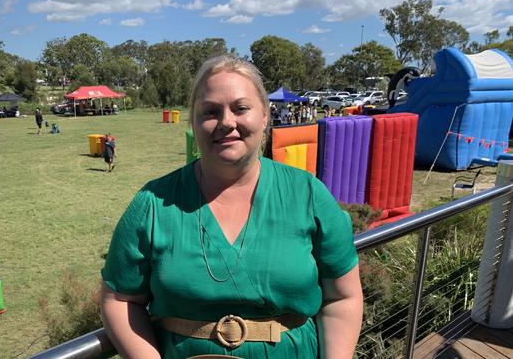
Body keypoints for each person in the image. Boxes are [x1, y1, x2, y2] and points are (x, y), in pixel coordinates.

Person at [101, 56, 363, 358]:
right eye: (210, 111)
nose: (226, 122)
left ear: (264, 116)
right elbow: (119, 299)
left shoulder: (308, 195)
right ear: (194, 122)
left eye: (241, 108)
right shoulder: (153, 204)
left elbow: (343, 297)